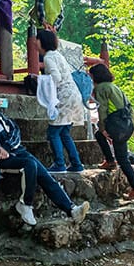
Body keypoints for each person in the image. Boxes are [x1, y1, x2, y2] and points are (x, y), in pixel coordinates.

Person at [0, 95, 90, 227]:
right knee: (30, 164)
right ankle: (25, 204)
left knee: (45, 177)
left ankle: (71, 210)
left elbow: (14, 131)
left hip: (18, 152)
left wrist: (7, 147)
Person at [89, 63, 134, 197]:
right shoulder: (114, 87)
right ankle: (111, 162)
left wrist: (103, 128)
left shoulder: (101, 88)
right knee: (123, 157)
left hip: (117, 125)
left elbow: (102, 109)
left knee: (101, 137)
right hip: (127, 124)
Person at [38, 30, 86, 171]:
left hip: (64, 96)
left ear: (42, 42)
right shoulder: (58, 55)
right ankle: (76, 163)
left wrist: (42, 82)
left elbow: (56, 77)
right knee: (64, 132)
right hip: (74, 95)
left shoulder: (48, 57)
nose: (35, 43)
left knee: (53, 132)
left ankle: (59, 163)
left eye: (37, 39)